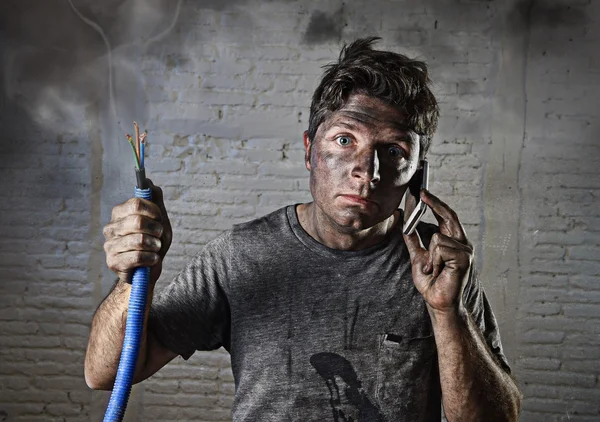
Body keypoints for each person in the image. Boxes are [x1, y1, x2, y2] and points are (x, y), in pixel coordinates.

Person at [85, 37, 522, 421]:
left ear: (417, 173)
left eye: (392, 151)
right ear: (310, 150)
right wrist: (131, 280)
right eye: (345, 140)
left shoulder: (439, 267)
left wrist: (448, 312)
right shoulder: (242, 255)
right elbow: (104, 374)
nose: (365, 171)